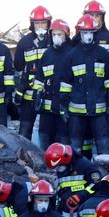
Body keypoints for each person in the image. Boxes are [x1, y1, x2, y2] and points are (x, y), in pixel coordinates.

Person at [62, 14, 109, 158]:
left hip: (99, 111)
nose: (88, 36)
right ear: (79, 33)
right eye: (85, 32)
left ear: (95, 33)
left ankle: (106, 171)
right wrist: (63, 106)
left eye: (90, 32)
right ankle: (76, 171)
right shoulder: (72, 56)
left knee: (104, 145)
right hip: (76, 112)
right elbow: (66, 83)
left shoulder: (104, 54)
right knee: (75, 148)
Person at [32, 18, 73, 148]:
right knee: (44, 141)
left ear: (66, 34)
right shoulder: (47, 54)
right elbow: (39, 77)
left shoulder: (72, 53)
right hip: (47, 110)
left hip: (64, 108)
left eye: (59, 34)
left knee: (63, 144)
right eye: (54, 34)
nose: (56, 37)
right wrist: (37, 94)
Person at [14, 6, 52, 139]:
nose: (40, 26)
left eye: (43, 23)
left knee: (47, 134)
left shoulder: (53, 40)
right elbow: (19, 68)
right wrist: (20, 89)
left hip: (49, 96)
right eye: (37, 23)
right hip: (28, 96)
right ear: (32, 24)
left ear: (48, 23)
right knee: (24, 132)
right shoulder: (24, 43)